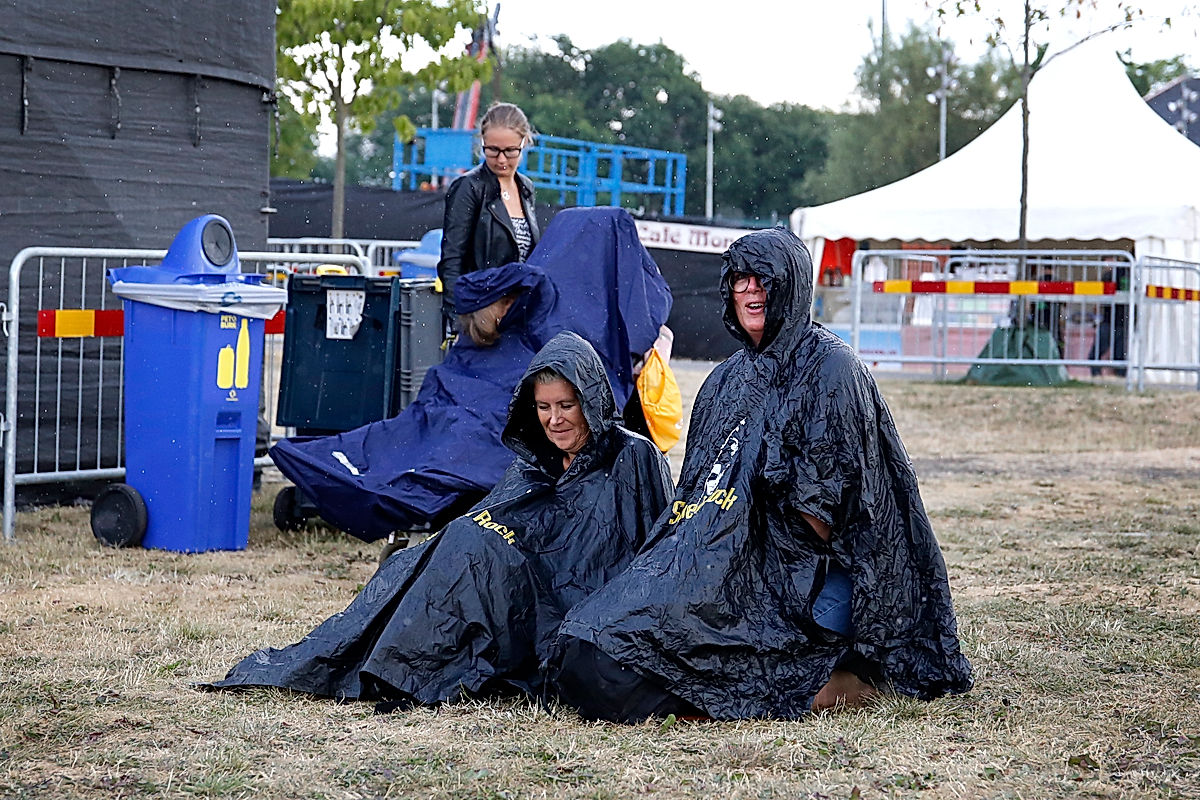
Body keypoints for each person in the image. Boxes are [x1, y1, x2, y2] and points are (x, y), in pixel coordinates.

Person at [550, 228, 974, 722]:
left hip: (813, 576)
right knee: (592, 643)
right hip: (733, 558)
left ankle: (850, 680)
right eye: (740, 278)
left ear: (791, 285)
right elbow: (698, 497)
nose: (750, 290)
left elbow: (826, 519)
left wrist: (742, 575)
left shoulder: (831, 369)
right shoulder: (726, 378)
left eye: (763, 279)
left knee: (646, 663)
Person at [204, 332, 674, 709]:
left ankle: (402, 668)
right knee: (443, 549)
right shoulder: (536, 463)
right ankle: (389, 665)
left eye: (566, 406)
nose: (553, 421)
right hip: (511, 594)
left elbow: (658, 557)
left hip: (565, 610)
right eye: (543, 407)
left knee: (472, 550)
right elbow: (507, 518)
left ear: (590, 400)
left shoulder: (632, 457)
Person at [438, 102, 540, 326]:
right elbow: (452, 259)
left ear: (524, 143)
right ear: (482, 143)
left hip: (517, 314)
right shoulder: (468, 187)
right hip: (479, 315)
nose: (501, 159)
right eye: (492, 150)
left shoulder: (526, 188)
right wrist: (458, 321)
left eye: (510, 151)